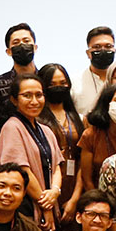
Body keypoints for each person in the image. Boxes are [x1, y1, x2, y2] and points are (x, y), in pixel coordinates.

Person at [0, 74, 64, 231]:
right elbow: (21, 171)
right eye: (27, 96)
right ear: (14, 100)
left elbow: (57, 167)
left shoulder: (46, 130)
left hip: (50, 202)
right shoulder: (11, 127)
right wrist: (45, 205)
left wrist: (55, 192)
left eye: (39, 95)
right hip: (25, 208)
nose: (34, 101)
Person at [77, 81, 116, 200]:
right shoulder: (91, 135)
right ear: (107, 103)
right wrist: (101, 204)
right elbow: (87, 180)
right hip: (97, 201)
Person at [36, 62, 82, 210]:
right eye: (52, 84)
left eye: (63, 83)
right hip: (47, 187)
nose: (58, 87)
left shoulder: (79, 118)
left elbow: (83, 162)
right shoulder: (36, 119)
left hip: (75, 185)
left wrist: (74, 200)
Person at [0, 22, 39, 118]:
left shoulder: (46, 78)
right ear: (9, 51)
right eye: (16, 42)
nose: (22, 45)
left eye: (26, 41)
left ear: (35, 47)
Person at [71, 25, 116, 117]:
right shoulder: (74, 83)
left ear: (114, 51)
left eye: (108, 46)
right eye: (97, 47)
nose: (103, 50)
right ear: (88, 53)